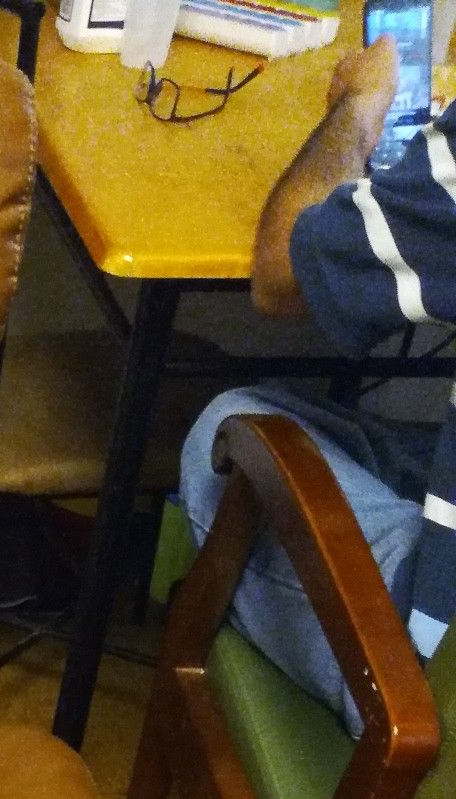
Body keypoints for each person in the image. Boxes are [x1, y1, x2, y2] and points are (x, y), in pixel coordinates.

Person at [180, 36, 456, 732]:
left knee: (230, 426)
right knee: (383, 444)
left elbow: (280, 271)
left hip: (430, 694)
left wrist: (361, 106)